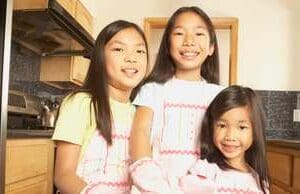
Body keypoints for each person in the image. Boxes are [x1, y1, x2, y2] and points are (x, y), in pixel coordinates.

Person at [129, 6, 224, 193]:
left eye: (199, 34)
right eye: (179, 33)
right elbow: (139, 134)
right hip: (156, 188)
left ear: (211, 47)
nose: (189, 41)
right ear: (167, 45)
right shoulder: (152, 90)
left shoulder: (220, 95)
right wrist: (154, 185)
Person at [52, 20, 148, 194]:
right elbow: (63, 175)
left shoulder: (141, 114)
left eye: (140, 51)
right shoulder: (81, 103)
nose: (132, 58)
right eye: (119, 49)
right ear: (100, 57)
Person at [180, 85, 270, 194]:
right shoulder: (205, 170)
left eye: (241, 127)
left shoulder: (259, 182)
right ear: (211, 127)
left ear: (255, 131)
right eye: (222, 125)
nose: (230, 136)